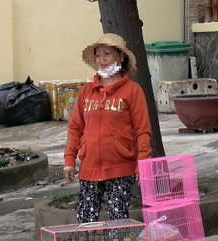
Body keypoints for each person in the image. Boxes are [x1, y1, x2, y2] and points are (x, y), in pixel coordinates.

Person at [63, 33, 152, 224]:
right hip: (89, 169)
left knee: (118, 225)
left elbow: (143, 130)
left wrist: (142, 162)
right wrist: (69, 159)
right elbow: (76, 128)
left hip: (121, 170)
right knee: (85, 226)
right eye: (98, 55)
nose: (101, 60)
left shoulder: (133, 91)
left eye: (107, 54)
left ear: (120, 57)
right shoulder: (86, 92)